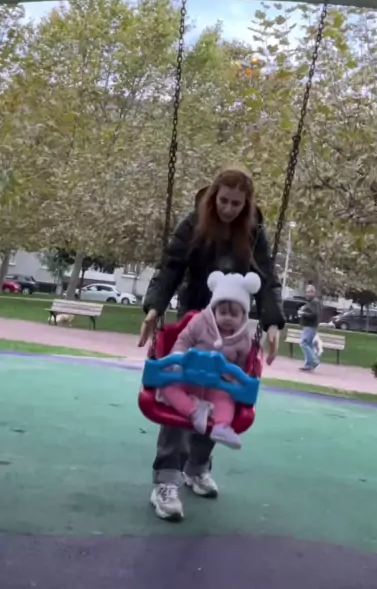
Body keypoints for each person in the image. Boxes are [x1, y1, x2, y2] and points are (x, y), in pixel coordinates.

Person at [138, 166, 285, 522]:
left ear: (246, 204)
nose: (229, 208)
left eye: (237, 203)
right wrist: (155, 307)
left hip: (233, 323)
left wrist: (273, 322)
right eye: (224, 200)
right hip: (194, 317)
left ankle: (197, 466)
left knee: (221, 392)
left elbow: (266, 277)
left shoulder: (253, 232)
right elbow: (170, 267)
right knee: (184, 387)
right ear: (214, 195)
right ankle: (167, 480)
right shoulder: (193, 224)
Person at [158, 270, 261, 450]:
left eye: (234, 314)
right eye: (223, 312)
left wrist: (235, 381)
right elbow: (184, 340)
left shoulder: (243, 338)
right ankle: (193, 411)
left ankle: (221, 427)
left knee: (226, 400)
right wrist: (178, 359)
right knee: (166, 386)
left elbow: (242, 364)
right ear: (214, 310)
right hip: (188, 377)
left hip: (218, 384)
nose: (228, 318)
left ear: (243, 315)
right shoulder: (200, 322)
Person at [297, 283, 322, 371]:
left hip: (310, 326)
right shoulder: (311, 302)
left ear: (313, 293)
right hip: (308, 326)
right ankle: (309, 364)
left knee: (304, 343)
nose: (307, 294)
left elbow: (314, 314)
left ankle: (314, 360)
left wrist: (303, 314)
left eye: (309, 292)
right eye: (307, 292)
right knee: (309, 344)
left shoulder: (315, 302)